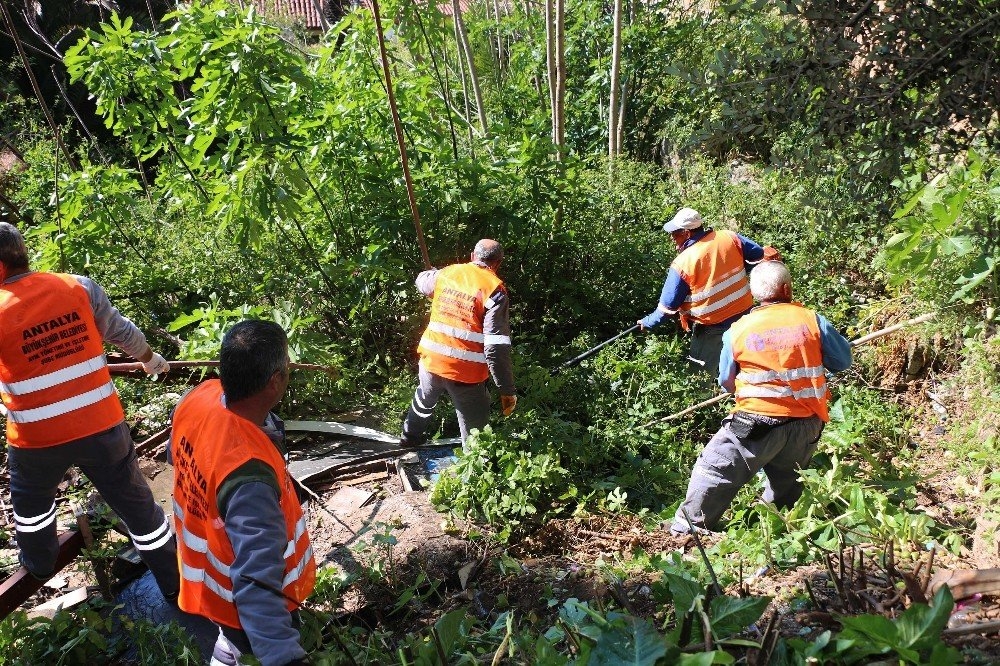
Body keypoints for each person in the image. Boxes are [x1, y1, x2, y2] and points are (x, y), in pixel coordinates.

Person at [0, 222, 177, 598]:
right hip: (102, 429)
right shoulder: (77, 286)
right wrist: (149, 358)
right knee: (139, 509)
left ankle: (39, 562)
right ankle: (176, 584)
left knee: (31, 508)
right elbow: (121, 331)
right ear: (23, 253)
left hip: (37, 441)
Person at [170, 320, 315, 666]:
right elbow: (255, 581)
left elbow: (176, 454)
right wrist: (284, 656)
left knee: (230, 642)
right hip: (236, 603)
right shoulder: (249, 476)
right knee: (243, 643)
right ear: (274, 381)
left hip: (205, 578)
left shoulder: (198, 398)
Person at [669, 261, 852, 534]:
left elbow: (726, 381)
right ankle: (771, 530)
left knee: (716, 469)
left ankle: (687, 529)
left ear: (755, 295)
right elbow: (842, 361)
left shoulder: (738, 330)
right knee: (788, 482)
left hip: (755, 423)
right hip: (806, 425)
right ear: (787, 288)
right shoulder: (812, 320)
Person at [400, 239, 516, 446]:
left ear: (473, 256)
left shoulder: (448, 273)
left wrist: (431, 273)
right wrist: (506, 389)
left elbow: (421, 281)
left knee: (424, 401)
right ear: (498, 263)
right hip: (465, 373)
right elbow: (495, 348)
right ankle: (474, 471)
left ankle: (409, 439)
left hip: (431, 360)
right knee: (475, 428)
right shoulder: (495, 290)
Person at [638, 207, 778, 377]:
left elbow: (667, 309)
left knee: (699, 377)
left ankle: (702, 402)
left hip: (712, 327)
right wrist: (741, 268)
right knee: (749, 366)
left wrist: (648, 322)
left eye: (675, 234)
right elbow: (757, 256)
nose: (672, 238)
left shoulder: (683, 263)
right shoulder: (729, 237)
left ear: (687, 233)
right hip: (745, 317)